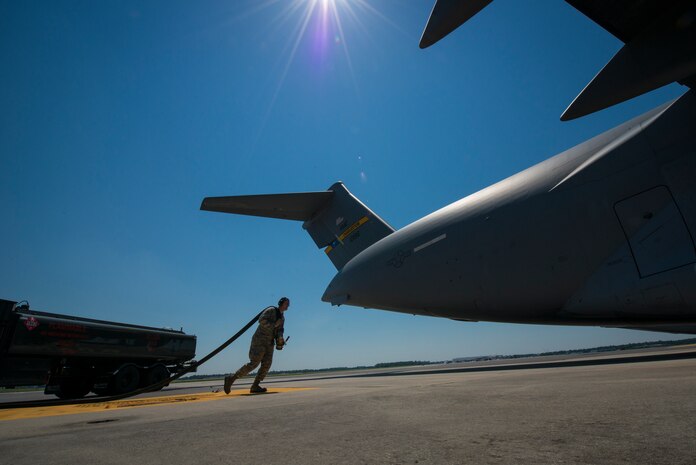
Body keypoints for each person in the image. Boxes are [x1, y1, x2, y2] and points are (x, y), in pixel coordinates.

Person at [224, 297, 289, 394]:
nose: (288, 306)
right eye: (286, 303)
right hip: (260, 340)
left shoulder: (282, 317)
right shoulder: (271, 310)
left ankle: (255, 385)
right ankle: (231, 378)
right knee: (254, 363)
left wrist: (280, 339)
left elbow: (280, 330)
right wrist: (274, 325)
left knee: (267, 364)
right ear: (281, 303)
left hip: (269, 342)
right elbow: (261, 320)